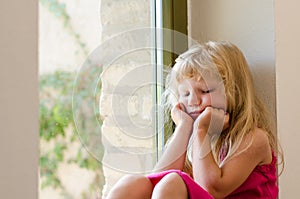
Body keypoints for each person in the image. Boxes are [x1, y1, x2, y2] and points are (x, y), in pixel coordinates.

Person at [106, 41, 283, 199]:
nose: (193, 101)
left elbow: (212, 189)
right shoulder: (196, 141)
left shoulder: (254, 139)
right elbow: (156, 181)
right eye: (185, 94)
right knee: (132, 185)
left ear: (233, 92)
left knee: (173, 183)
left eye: (204, 91)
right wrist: (184, 128)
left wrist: (200, 131)